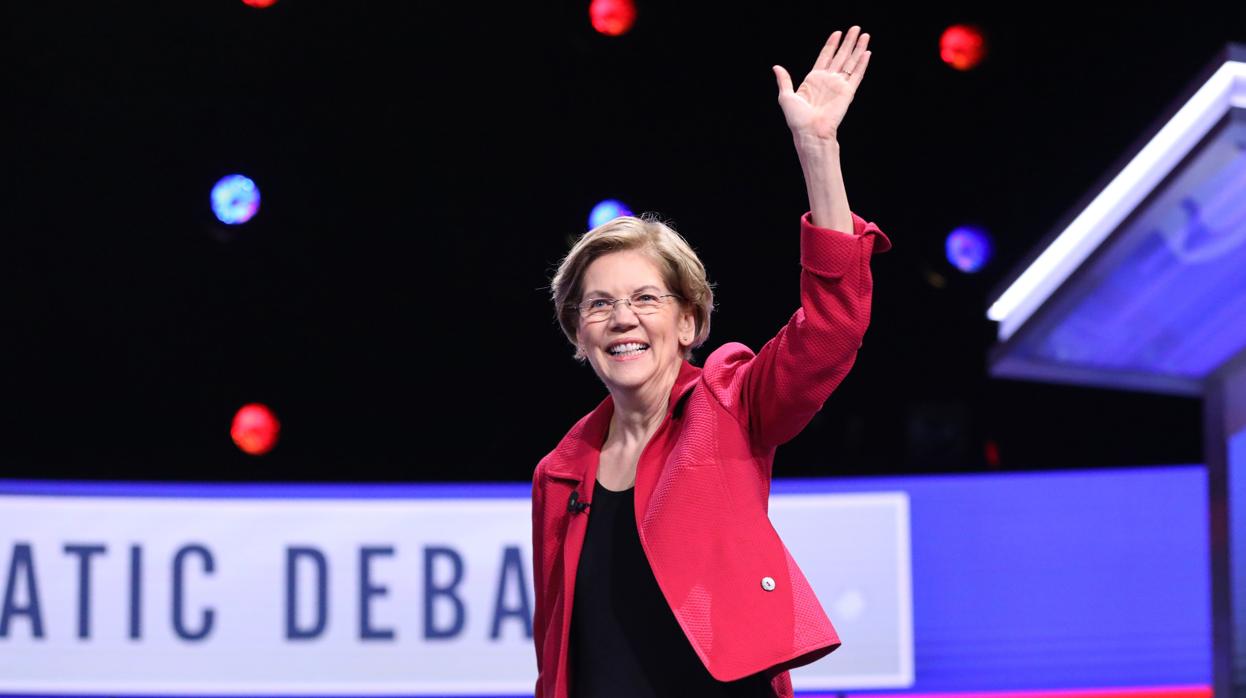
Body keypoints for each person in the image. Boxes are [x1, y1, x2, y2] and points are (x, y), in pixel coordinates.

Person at [531, 26, 891, 698]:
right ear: (577, 333)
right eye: (598, 305)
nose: (622, 318)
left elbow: (832, 329)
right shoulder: (558, 471)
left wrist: (818, 151)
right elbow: (556, 656)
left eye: (646, 298)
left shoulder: (729, 401)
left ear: (689, 321)